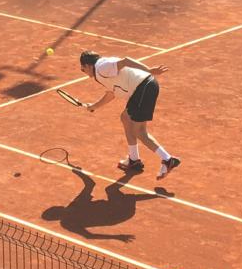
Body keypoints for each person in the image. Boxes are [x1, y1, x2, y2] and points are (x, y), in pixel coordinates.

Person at [77, 51, 179, 179]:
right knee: (125, 118)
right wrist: (94, 106)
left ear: (88, 65)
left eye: (83, 69)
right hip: (143, 88)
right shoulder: (101, 72)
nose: (84, 72)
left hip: (143, 88)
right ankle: (134, 159)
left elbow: (126, 61)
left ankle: (168, 159)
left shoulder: (102, 67)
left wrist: (149, 70)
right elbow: (111, 94)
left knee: (140, 132)